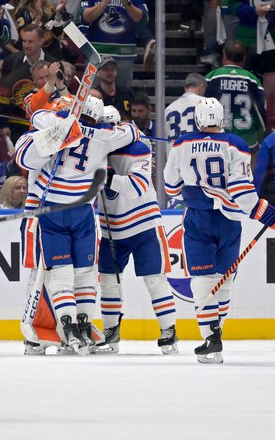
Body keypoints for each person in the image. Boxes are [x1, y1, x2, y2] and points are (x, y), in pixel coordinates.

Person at [14, 95, 139, 355]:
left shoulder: (49, 127)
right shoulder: (97, 136)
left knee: (59, 274)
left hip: (51, 210)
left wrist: (62, 127)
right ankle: (39, 335)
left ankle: (64, 329)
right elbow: (26, 159)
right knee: (40, 276)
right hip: (50, 214)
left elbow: (37, 117)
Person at [164, 97, 275, 364]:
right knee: (224, 280)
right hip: (229, 220)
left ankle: (210, 338)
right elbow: (242, 190)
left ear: (197, 118)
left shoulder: (181, 144)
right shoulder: (236, 144)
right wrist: (263, 212)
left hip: (198, 217)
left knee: (202, 280)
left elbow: (170, 187)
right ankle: (217, 332)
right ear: (221, 119)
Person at [96, 108, 178, 355]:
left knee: (154, 279)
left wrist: (105, 178)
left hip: (143, 224)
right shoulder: (93, 151)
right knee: (108, 280)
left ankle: (169, 330)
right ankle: (111, 331)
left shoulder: (139, 148)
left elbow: (138, 185)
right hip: (110, 227)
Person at [206, 40, 266, 154]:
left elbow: (200, 110)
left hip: (217, 142)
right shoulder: (252, 80)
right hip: (246, 142)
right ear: (244, 58)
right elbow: (260, 114)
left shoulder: (211, 78)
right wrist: (261, 138)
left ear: (224, 56)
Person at [80, 0, 149, 90]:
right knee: (93, 97)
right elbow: (85, 18)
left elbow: (142, 20)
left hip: (124, 53)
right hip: (96, 55)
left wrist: (127, 4)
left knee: (123, 94)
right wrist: (104, 3)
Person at [165, 72, 206, 141]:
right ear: (201, 87)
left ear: (185, 88)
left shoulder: (169, 108)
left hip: (174, 150)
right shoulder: (207, 103)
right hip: (197, 149)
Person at [94, 56, 133, 121]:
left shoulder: (127, 93)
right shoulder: (95, 96)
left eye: (112, 69)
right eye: (106, 70)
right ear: (98, 72)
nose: (110, 73)